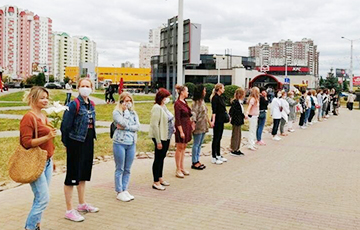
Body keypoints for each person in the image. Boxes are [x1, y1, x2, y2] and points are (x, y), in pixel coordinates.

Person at [60, 78, 99, 222]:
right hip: (75, 143)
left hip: (87, 142)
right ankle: (69, 210)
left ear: (92, 88)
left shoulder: (92, 104)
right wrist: (67, 144)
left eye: (88, 86)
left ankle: (82, 204)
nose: (85, 88)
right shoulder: (73, 104)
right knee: (72, 176)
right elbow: (65, 126)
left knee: (83, 174)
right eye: (82, 86)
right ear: (78, 88)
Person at [21, 87, 56, 230]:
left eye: (46, 97)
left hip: (46, 162)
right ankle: (30, 227)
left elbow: (49, 141)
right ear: (33, 98)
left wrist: (51, 159)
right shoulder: (28, 117)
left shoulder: (43, 116)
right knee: (43, 198)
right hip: (35, 162)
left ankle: (36, 225)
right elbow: (26, 143)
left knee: (40, 198)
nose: (45, 100)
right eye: (42, 98)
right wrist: (47, 137)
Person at [112, 92, 140, 201]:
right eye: (125, 101)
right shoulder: (117, 112)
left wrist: (127, 127)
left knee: (127, 168)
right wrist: (125, 112)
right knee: (120, 167)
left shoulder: (134, 113)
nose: (127, 103)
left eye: (129, 101)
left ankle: (125, 188)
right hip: (120, 142)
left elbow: (137, 126)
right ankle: (119, 191)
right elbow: (122, 123)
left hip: (131, 142)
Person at [149, 88, 173, 190]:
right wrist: (158, 141)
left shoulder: (164, 107)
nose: (167, 99)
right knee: (158, 158)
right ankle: (155, 181)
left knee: (162, 157)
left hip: (166, 135)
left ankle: (160, 177)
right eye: (166, 97)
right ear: (162, 98)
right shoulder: (156, 108)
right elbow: (155, 125)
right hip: (160, 136)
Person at [174, 85, 194, 178]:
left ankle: (182, 167)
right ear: (182, 92)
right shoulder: (177, 104)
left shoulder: (184, 102)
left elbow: (189, 114)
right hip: (181, 126)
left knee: (184, 146)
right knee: (179, 147)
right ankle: (178, 168)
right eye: (187, 91)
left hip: (187, 126)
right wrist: (181, 131)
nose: (188, 93)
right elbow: (177, 119)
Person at [191, 84, 211, 169]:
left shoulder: (202, 101)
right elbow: (193, 114)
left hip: (203, 125)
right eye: (204, 90)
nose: (205, 92)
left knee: (200, 144)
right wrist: (193, 124)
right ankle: (194, 161)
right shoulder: (195, 103)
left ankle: (197, 159)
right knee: (196, 144)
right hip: (198, 125)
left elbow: (205, 113)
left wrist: (209, 123)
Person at [210, 83, 228, 164]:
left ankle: (218, 154)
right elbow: (214, 111)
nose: (224, 89)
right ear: (219, 89)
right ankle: (214, 156)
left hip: (221, 119)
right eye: (223, 88)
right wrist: (213, 121)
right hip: (217, 120)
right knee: (216, 138)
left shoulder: (221, 97)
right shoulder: (215, 98)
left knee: (219, 137)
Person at [229, 87, 245, 156]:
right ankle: (233, 148)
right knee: (235, 135)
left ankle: (237, 148)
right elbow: (232, 112)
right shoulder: (235, 102)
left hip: (239, 120)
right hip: (236, 121)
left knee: (239, 135)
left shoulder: (240, 102)